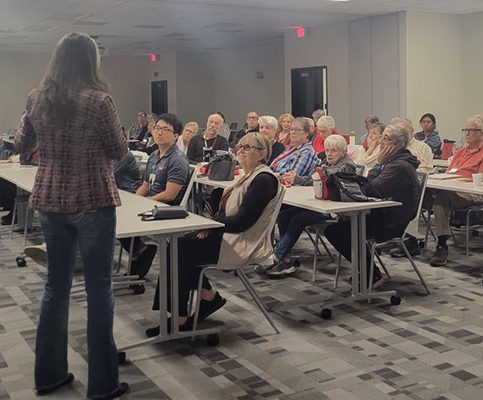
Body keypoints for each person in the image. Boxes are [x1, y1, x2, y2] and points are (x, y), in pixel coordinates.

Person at [14, 32, 129, 399]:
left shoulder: (36, 98)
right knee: (99, 291)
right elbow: (118, 149)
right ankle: (103, 384)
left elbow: (21, 145)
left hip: (49, 201)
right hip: (93, 199)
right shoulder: (100, 100)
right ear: (90, 62)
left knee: (55, 288)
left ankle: (49, 375)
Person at [145, 132, 281, 337]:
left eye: (248, 148)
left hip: (240, 242)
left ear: (262, 154)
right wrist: (210, 224)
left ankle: (183, 316)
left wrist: (211, 224)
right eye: (240, 147)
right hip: (230, 234)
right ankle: (207, 298)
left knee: (178, 249)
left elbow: (243, 221)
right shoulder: (247, 177)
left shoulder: (263, 180)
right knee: (176, 245)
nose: (241, 151)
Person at [324, 125, 420, 288]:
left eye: (387, 139)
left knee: (336, 232)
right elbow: (368, 188)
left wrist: (377, 164)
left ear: (400, 145)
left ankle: (372, 273)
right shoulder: (394, 162)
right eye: (382, 137)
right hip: (382, 214)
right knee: (342, 227)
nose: (381, 142)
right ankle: (369, 271)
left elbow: (370, 190)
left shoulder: (399, 166)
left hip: (392, 222)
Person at [256, 135, 356, 279]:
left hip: (334, 210)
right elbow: (312, 178)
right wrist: (299, 178)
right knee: (284, 215)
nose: (329, 153)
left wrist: (306, 177)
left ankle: (277, 256)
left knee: (298, 219)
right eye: (327, 150)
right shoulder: (326, 162)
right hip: (319, 203)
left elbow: (322, 176)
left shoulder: (347, 166)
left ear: (343, 151)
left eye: (333, 151)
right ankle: (285, 259)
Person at [120, 113, 190, 280]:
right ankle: (140, 248)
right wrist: (134, 201)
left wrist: (141, 204)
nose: (159, 132)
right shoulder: (154, 155)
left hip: (166, 209)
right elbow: (145, 185)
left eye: (165, 129)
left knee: (123, 220)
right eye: (157, 128)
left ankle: (140, 249)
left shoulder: (177, 160)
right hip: (149, 203)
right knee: (118, 214)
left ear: (175, 136)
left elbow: (169, 195)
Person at [429, 116, 483, 267]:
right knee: (421, 192)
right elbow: (448, 172)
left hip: (473, 194)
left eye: (472, 130)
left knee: (441, 197)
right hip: (450, 189)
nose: (468, 133)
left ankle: (442, 246)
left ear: (482, 133)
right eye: (466, 130)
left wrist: (457, 182)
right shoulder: (461, 151)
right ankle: (410, 239)